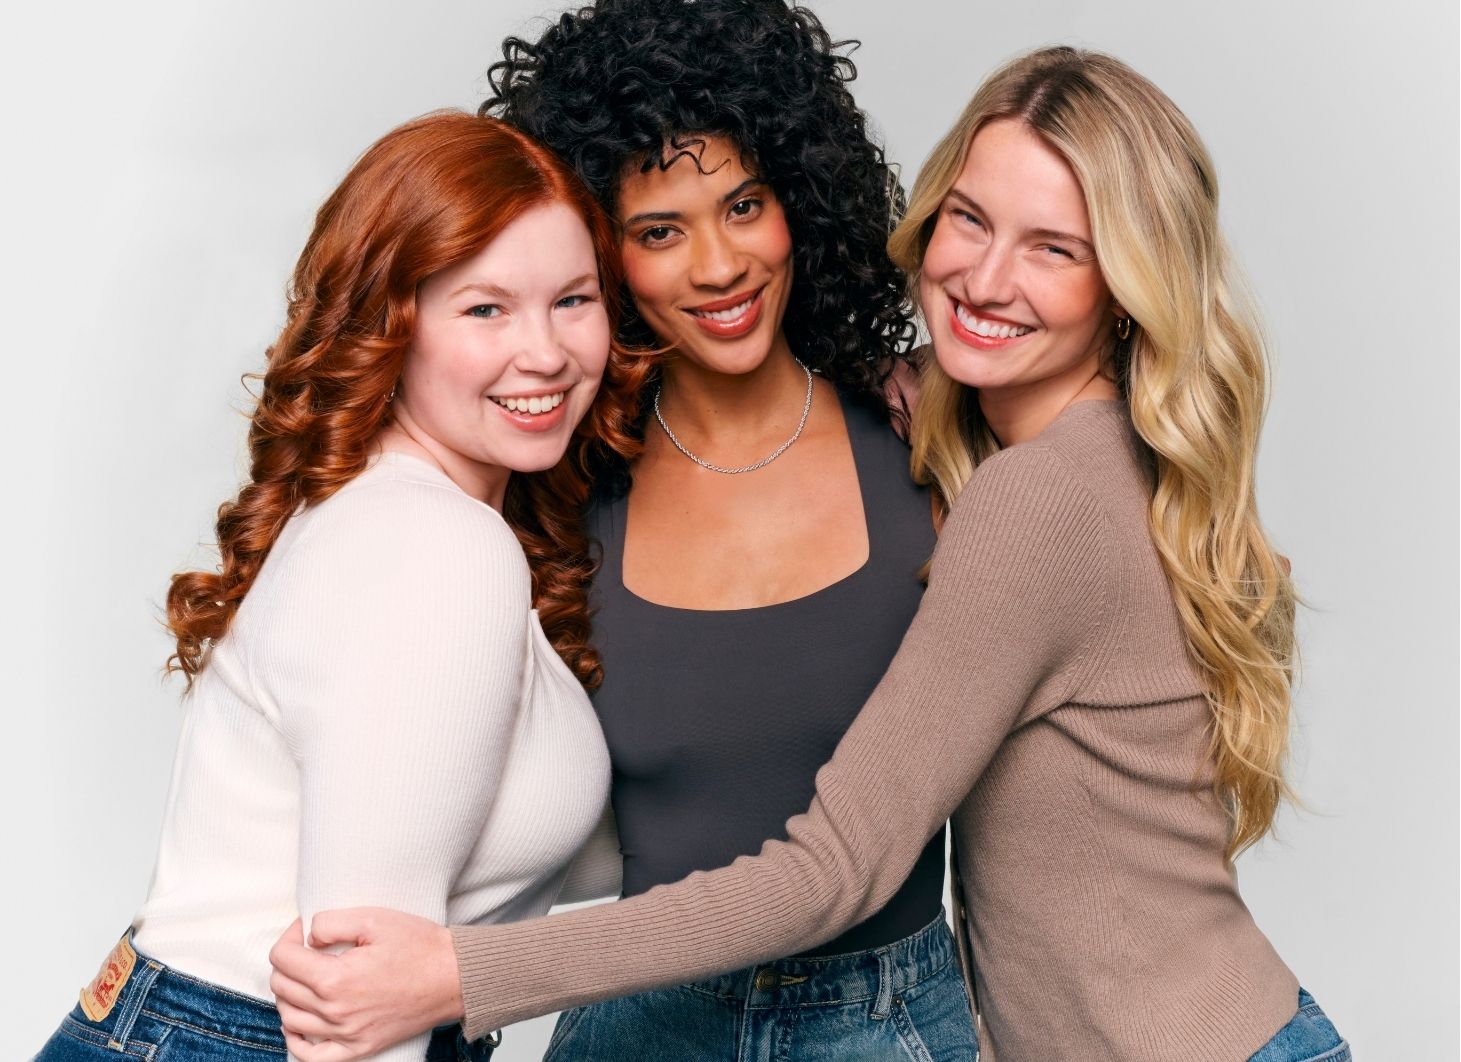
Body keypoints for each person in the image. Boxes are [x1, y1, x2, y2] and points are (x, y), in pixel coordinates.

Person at [267, 47, 1351, 1062]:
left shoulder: (1030, 494)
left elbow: (838, 867)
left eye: (1054, 248)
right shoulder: (990, 443)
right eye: (969, 220)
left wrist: (463, 975)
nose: (985, 279)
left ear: (1126, 282)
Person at [271, 1, 978, 1059]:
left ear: (802, 201)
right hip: (637, 1015)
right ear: (601, 260)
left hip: (891, 1022)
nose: (718, 265)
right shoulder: (552, 494)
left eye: (745, 205)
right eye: (659, 231)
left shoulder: (930, 446)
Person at [34, 111, 646, 1062]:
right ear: (390, 325)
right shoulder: (434, 545)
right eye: (484, 309)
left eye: (573, 299)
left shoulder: (408, 515)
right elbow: (357, 992)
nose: (546, 352)